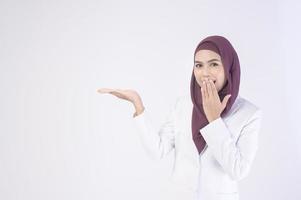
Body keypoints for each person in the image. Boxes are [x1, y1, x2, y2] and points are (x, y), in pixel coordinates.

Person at [97, 35, 263, 200]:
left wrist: (214, 121)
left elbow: (238, 170)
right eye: (199, 65)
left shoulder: (249, 113)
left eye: (214, 64)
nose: (205, 73)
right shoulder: (183, 105)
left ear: (228, 66)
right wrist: (138, 105)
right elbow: (157, 150)